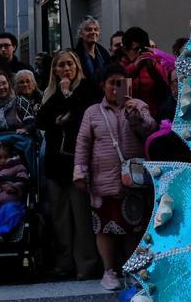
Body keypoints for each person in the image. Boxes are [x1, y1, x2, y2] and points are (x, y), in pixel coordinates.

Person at [73, 63, 157, 291]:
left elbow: (150, 131)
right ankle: (109, 271)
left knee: (135, 227)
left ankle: (132, 270)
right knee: (105, 227)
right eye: (112, 83)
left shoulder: (138, 106)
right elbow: (83, 143)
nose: (116, 88)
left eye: (121, 83)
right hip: (103, 180)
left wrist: (134, 114)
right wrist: (80, 172)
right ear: (103, 85)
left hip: (134, 180)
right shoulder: (92, 112)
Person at [35, 50, 102, 280]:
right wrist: (60, 100)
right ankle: (64, 262)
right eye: (61, 65)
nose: (66, 69)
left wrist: (67, 96)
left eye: (69, 64)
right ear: (55, 70)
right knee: (60, 217)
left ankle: (87, 263)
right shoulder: (50, 92)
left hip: (79, 161)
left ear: (77, 67)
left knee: (82, 216)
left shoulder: (88, 88)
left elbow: (84, 116)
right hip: (56, 162)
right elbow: (42, 120)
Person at [118, 27, 176, 119]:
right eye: (136, 49)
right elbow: (120, 98)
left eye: (143, 49)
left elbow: (169, 91)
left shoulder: (156, 65)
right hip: (130, 121)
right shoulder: (121, 68)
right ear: (125, 50)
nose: (140, 53)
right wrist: (133, 68)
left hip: (155, 119)